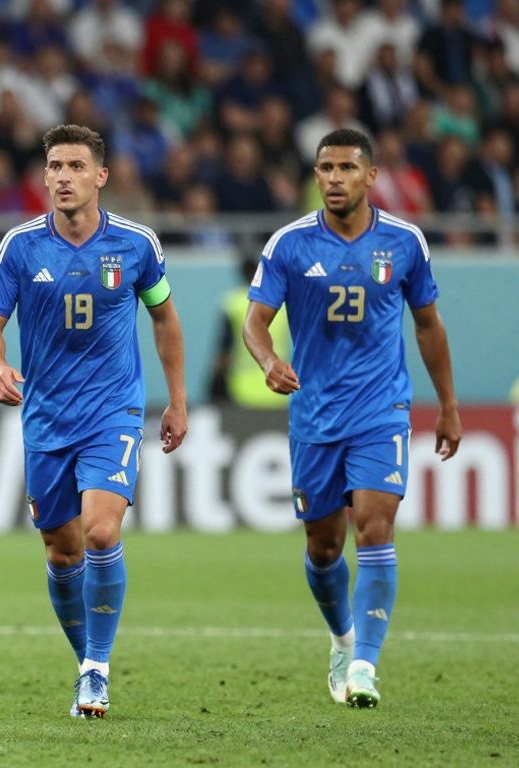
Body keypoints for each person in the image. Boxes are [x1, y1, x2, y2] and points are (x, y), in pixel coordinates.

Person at [243, 128, 462, 708]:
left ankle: (365, 663)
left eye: (346, 167)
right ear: (315, 176)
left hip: (380, 409)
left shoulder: (404, 242)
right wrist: (268, 361)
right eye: (325, 168)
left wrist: (447, 406)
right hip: (315, 415)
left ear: (371, 175)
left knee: (375, 526)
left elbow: (428, 326)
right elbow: (255, 322)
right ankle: (342, 639)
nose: (334, 178)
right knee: (323, 546)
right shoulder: (289, 244)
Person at [0, 124, 188, 719]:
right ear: (44, 175)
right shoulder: (19, 247)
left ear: (101, 176)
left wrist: (177, 400)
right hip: (45, 417)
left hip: (112, 411)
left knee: (100, 532)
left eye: (75, 166)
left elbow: (165, 320)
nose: (63, 177)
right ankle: (87, 663)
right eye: (54, 166)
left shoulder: (137, 245)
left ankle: (96, 670)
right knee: (61, 551)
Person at [208, 256, 290, 408]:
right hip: (279, 387)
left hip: (241, 389)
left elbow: (225, 350)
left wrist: (213, 386)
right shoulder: (282, 305)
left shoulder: (233, 303)